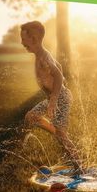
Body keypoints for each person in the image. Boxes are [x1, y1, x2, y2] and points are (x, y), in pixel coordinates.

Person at [20, 21, 82, 173]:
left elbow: (58, 75)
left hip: (60, 97)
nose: (22, 42)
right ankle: (57, 131)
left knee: (61, 135)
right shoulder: (42, 54)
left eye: (23, 39)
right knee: (31, 116)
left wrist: (53, 100)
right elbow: (58, 67)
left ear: (33, 39)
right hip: (54, 97)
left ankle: (80, 167)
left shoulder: (43, 58)